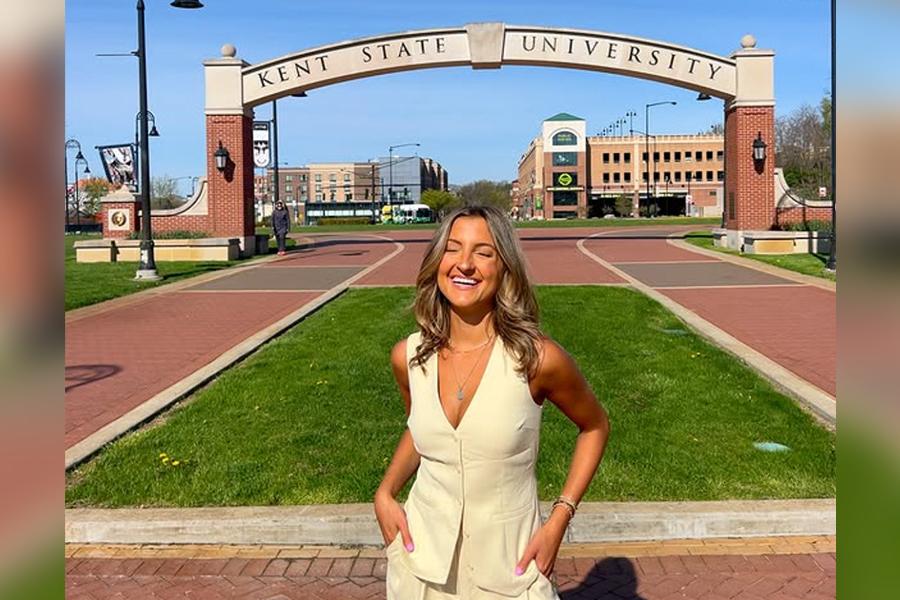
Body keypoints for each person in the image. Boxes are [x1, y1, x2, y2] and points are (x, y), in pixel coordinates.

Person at [374, 205, 610, 599]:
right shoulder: (409, 356)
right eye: (452, 249)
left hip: (510, 572)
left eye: (483, 253)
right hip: (421, 568)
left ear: (505, 268)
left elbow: (595, 426)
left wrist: (560, 518)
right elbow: (420, 431)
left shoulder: (536, 359)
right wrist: (385, 492)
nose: (464, 264)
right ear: (436, 262)